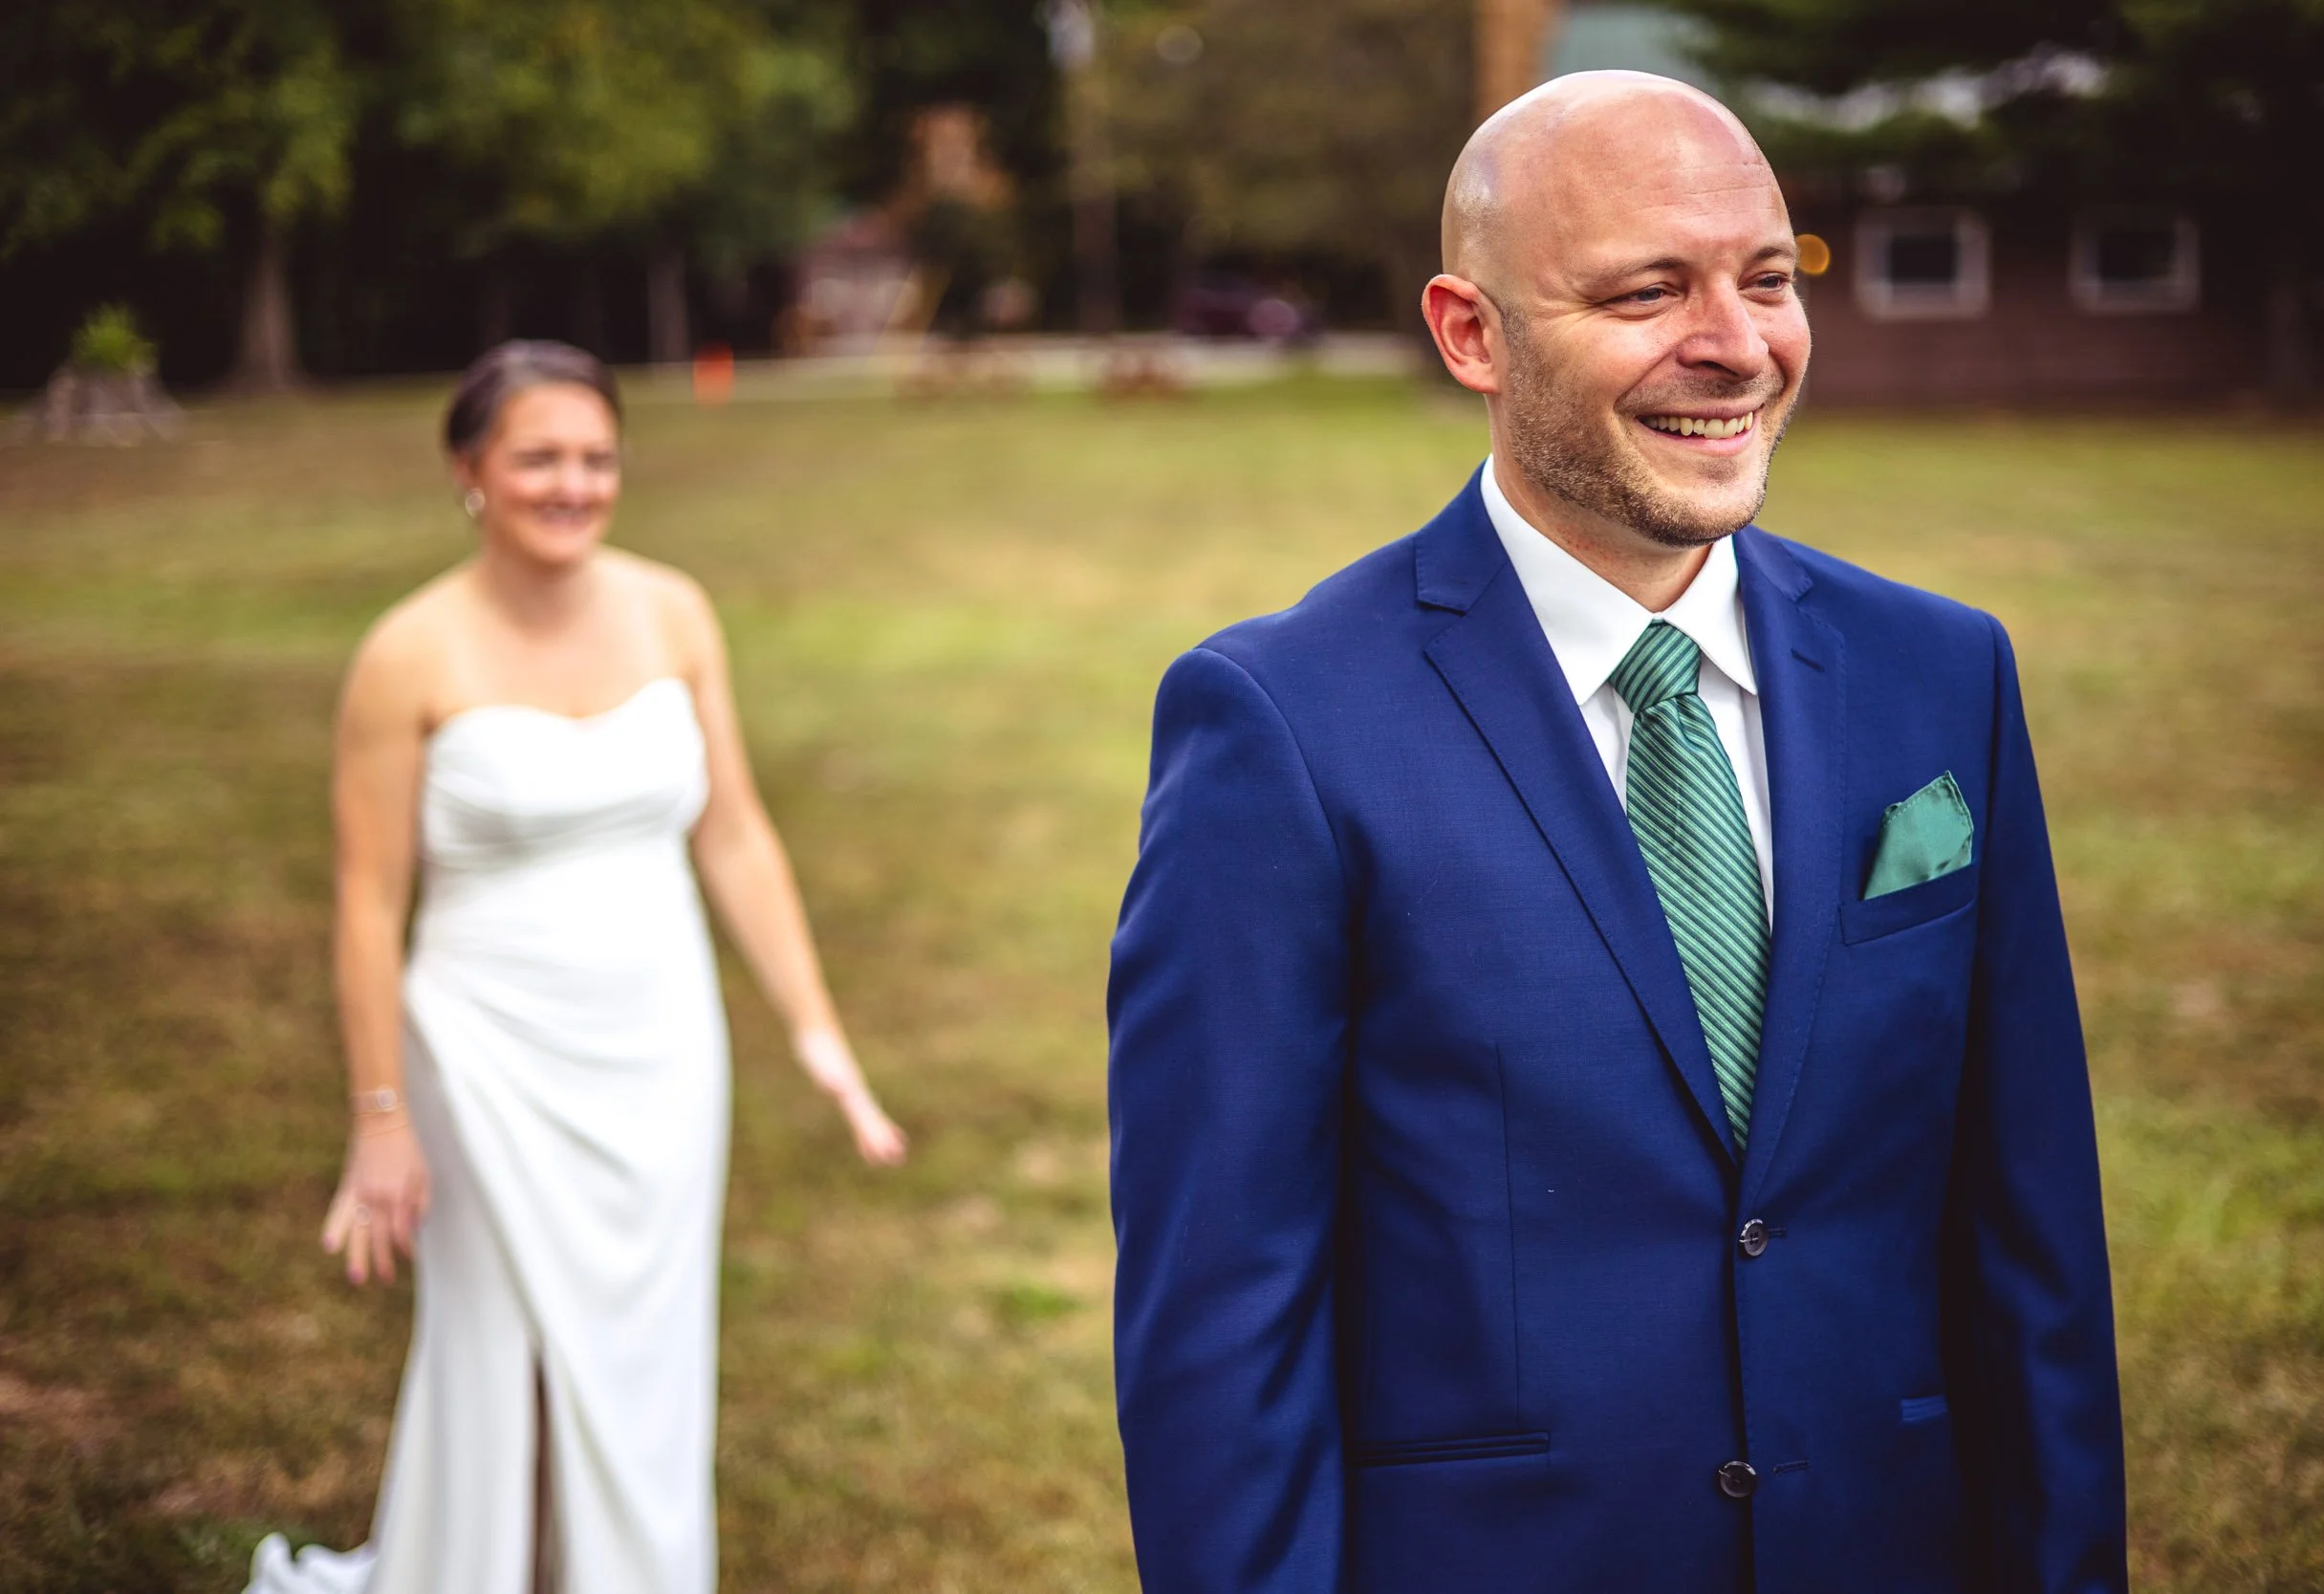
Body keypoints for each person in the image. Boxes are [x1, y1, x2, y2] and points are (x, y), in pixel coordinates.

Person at [1107, 73, 2126, 1592]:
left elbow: (2032, 1233)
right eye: (1649, 290)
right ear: (1471, 333)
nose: (1738, 345)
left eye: (1769, 279)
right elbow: (1221, 1320)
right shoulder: (1281, 726)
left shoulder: (1943, 674)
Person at [248, 340, 905, 1594]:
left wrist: (817, 1032)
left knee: (648, 1346)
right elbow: (366, 895)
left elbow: (734, 828)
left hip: (661, 1041)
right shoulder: (407, 651)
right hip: (482, 1047)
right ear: (469, 471)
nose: (572, 483)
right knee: (499, 1343)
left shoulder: (673, 609)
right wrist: (378, 1116)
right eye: (538, 456)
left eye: (597, 457)